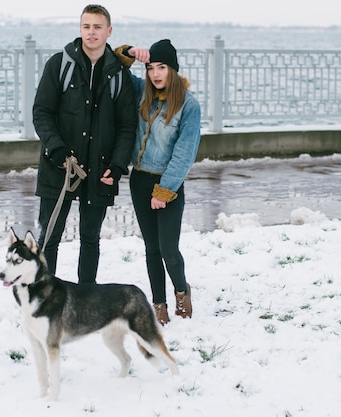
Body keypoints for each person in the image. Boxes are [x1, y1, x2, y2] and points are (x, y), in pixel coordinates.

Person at [32, 4, 137, 284]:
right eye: (87, 26)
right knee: (49, 237)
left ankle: (86, 297)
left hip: (100, 169)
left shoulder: (118, 73)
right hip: (60, 166)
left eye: (98, 27)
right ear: (80, 29)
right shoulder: (59, 64)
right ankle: (43, 296)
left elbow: (127, 126)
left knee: (90, 239)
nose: (92, 32)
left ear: (108, 31)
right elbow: (41, 112)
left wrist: (116, 166)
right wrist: (57, 150)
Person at [115, 39, 201, 325]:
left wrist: (164, 191)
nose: (155, 74)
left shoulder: (189, 105)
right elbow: (118, 70)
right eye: (151, 68)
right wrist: (128, 54)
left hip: (169, 185)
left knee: (168, 248)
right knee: (151, 248)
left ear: (173, 69)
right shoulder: (142, 91)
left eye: (162, 67)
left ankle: (180, 291)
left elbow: (185, 153)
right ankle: (159, 304)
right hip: (139, 179)